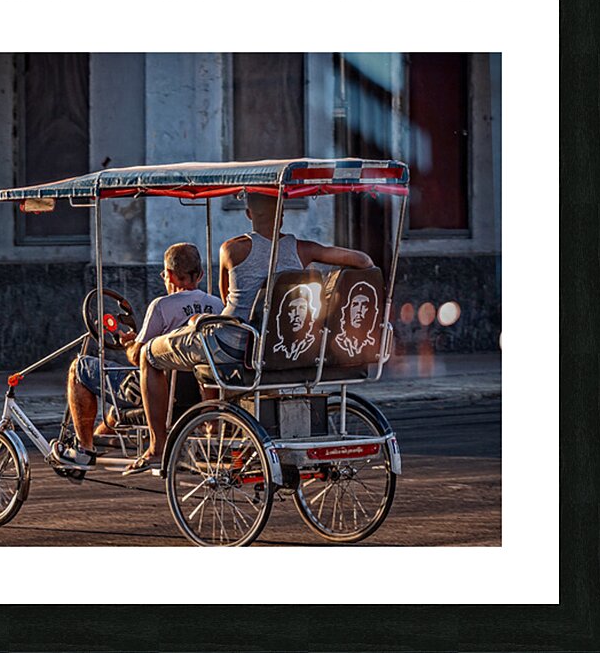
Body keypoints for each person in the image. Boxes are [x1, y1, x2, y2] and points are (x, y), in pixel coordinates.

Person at [126, 193, 373, 475]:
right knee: (233, 355)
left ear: (248, 214)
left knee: (147, 354)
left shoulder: (231, 250)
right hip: (281, 344)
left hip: (233, 343)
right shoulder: (305, 249)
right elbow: (362, 260)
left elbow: (225, 300)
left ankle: (158, 446)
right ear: (282, 214)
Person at [50, 243, 222, 470]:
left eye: (164, 275)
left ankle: (84, 449)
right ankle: (99, 441)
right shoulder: (217, 305)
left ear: (169, 275)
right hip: (196, 393)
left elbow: (139, 356)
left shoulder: (161, 306)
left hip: (160, 392)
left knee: (80, 368)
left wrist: (128, 343)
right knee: (114, 413)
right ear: (199, 274)